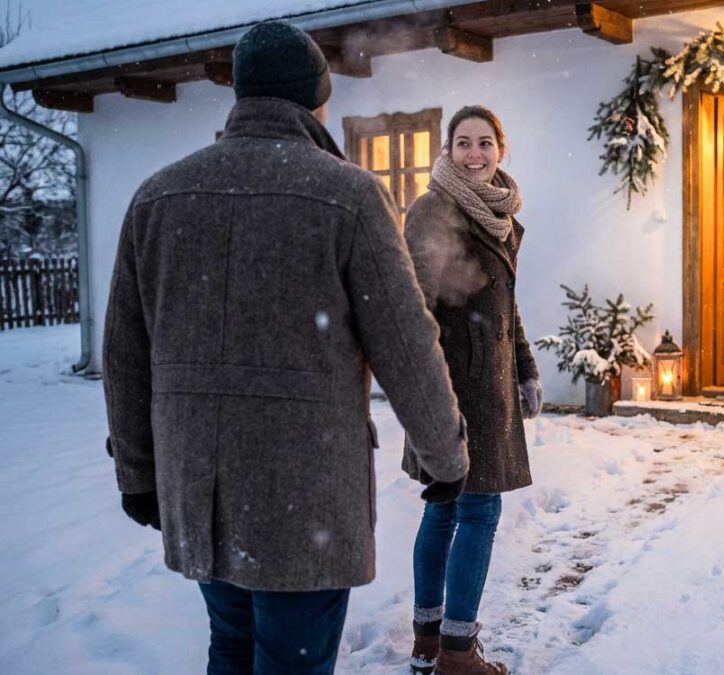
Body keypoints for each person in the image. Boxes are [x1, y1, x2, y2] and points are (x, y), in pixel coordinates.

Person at [102, 21, 470, 675]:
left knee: (232, 645)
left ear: (242, 95)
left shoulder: (159, 197)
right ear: (317, 101)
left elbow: (125, 356)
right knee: (291, 660)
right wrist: (446, 456)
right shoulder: (349, 195)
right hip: (305, 499)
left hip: (202, 492)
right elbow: (407, 342)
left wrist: (137, 475)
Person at [401, 105, 541, 675]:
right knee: (474, 511)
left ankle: (430, 641)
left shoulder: (499, 214)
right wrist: (431, 391)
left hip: (489, 384)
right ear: (447, 149)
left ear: (500, 150)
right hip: (454, 389)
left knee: (446, 512)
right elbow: (412, 308)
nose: (475, 154)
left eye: (485, 143)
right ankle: (457, 653)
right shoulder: (435, 210)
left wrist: (525, 367)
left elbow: (503, 304)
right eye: (463, 143)